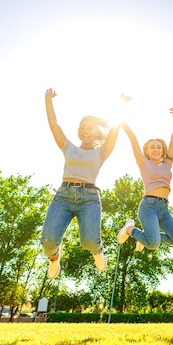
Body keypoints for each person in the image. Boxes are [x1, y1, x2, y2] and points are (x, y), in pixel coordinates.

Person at [40, 89, 127, 279]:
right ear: (79, 132)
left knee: (89, 241)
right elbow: (53, 124)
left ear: (95, 132)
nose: (86, 131)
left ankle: (98, 251)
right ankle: (55, 258)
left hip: (89, 198)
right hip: (63, 196)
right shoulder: (68, 147)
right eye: (83, 128)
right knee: (48, 242)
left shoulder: (102, 151)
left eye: (90, 128)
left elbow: (114, 129)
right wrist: (48, 100)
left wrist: (123, 106)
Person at [116, 107, 173, 253]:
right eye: (152, 147)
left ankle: (147, 236)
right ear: (146, 151)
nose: (156, 149)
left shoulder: (167, 163)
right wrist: (121, 111)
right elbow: (133, 138)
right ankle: (131, 230)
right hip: (149, 207)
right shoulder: (143, 162)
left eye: (159, 147)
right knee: (153, 244)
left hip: (164, 208)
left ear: (163, 150)